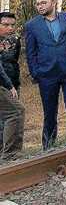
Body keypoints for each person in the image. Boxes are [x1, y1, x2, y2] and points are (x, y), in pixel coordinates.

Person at [24, 0, 66, 150]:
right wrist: (36, 73)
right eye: (37, 4)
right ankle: (48, 146)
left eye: (43, 2)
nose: (40, 6)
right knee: (50, 112)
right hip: (47, 74)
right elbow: (30, 53)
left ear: (53, 2)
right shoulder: (32, 25)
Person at [0, 12, 24, 159]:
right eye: (5, 25)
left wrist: (14, 83)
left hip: (11, 82)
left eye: (12, 25)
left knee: (5, 118)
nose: (10, 28)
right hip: (4, 84)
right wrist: (9, 85)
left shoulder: (14, 41)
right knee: (16, 112)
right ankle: (11, 155)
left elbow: (13, 62)